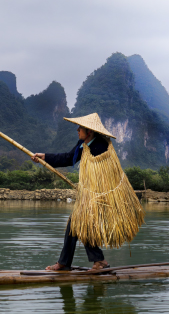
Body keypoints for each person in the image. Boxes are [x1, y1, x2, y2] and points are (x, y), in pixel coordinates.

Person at [32, 113, 115, 272]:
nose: (77, 130)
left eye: (80, 128)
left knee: (80, 223)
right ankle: (73, 262)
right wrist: (45, 157)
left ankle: (92, 261)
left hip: (99, 194)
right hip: (87, 194)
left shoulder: (102, 146)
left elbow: (106, 173)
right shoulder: (83, 144)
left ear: (89, 131)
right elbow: (68, 158)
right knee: (75, 225)